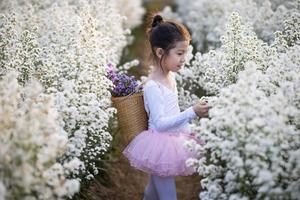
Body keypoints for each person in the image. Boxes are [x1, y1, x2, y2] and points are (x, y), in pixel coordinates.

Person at [123, 14, 211, 200]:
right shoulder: (153, 86)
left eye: (185, 53)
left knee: (153, 193)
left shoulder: (170, 77)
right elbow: (160, 123)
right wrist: (192, 112)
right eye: (179, 53)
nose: (184, 58)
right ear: (160, 52)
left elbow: (174, 112)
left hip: (170, 140)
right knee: (167, 196)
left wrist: (189, 129)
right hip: (159, 146)